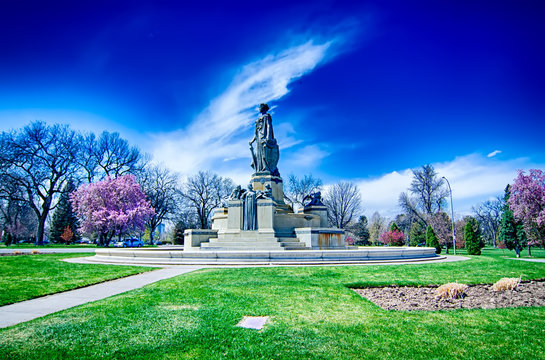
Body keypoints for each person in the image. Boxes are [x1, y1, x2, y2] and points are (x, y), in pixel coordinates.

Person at [249, 103, 279, 174]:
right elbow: (256, 133)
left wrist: (268, 136)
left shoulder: (266, 116)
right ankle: (260, 169)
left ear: (263, 108)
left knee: (264, 153)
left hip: (264, 137)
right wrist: (252, 141)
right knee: (258, 153)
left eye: (260, 107)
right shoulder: (258, 120)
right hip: (259, 138)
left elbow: (269, 126)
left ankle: (266, 167)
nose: (259, 108)